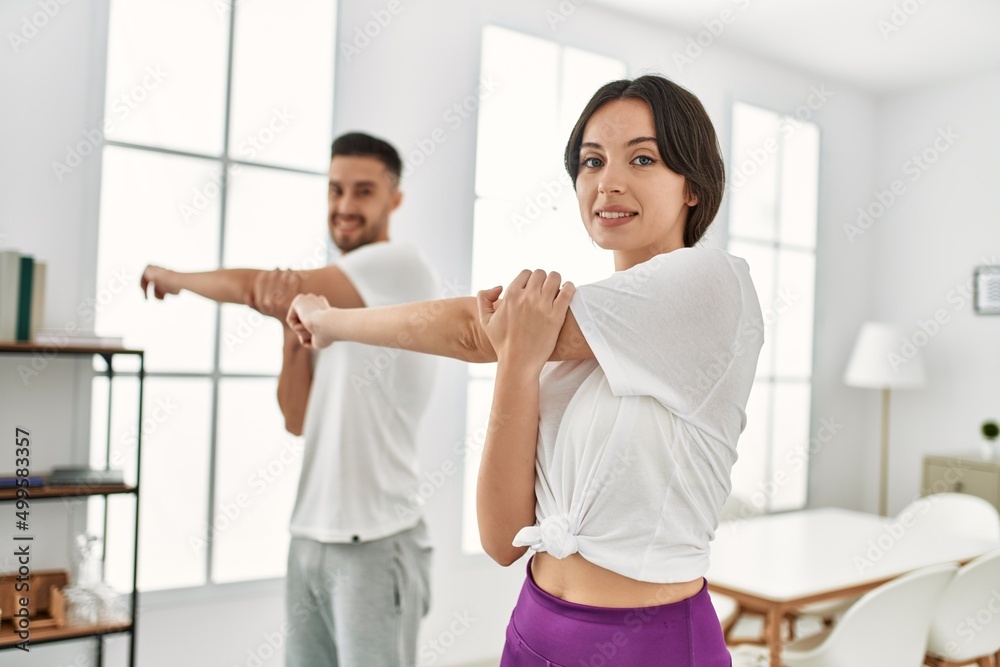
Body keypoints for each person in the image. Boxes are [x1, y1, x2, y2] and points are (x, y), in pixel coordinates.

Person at [287, 75, 764, 665]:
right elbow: (500, 538)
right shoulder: (555, 346)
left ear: (692, 185)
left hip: (648, 643)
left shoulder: (712, 284)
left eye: (642, 158)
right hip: (532, 628)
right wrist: (517, 364)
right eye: (591, 162)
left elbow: (471, 329)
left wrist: (333, 322)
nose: (608, 182)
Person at [139, 132, 440, 667]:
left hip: (375, 538)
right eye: (335, 190)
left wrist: (176, 278)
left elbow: (257, 285)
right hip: (310, 536)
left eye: (363, 191)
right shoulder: (331, 303)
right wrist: (289, 323)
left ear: (394, 200)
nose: (344, 206)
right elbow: (297, 417)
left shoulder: (397, 265)